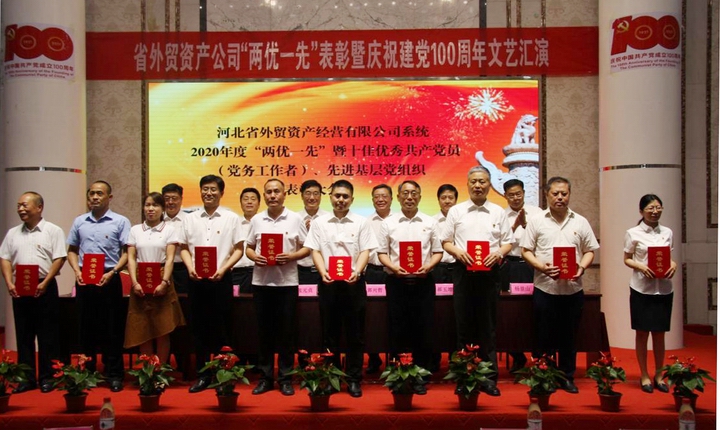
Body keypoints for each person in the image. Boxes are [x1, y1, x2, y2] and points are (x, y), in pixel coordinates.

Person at [521, 176, 599, 394]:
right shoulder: (537, 221)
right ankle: (544, 376)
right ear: (547, 195)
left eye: (564, 193)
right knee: (543, 335)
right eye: (555, 193)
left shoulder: (580, 221)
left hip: (573, 289)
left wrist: (581, 267)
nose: (560, 197)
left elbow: (589, 250)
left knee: (569, 336)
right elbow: (526, 250)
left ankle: (566, 377)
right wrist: (541, 267)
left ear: (569, 195)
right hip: (545, 288)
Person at [441, 166, 513, 396]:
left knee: (487, 327)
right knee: (463, 326)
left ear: (489, 184)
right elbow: (445, 241)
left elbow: (508, 242)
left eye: (482, 181)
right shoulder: (456, 211)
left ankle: (489, 378)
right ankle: (464, 376)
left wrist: (498, 253)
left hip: (490, 274)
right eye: (474, 181)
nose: (478, 185)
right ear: (467, 184)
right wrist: (457, 252)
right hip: (463, 272)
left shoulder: (498, 212)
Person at [304, 179, 377, 398]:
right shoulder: (319, 223)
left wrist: (358, 271)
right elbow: (315, 250)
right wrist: (322, 272)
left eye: (345, 196)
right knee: (329, 334)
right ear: (331, 197)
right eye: (337, 196)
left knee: (356, 334)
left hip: (354, 284)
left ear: (352, 199)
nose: (341, 200)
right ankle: (331, 378)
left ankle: (354, 379)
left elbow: (365, 250)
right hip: (328, 283)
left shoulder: (361, 222)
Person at [179, 175, 244, 393]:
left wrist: (224, 269)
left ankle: (224, 375)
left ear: (221, 193)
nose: (209, 193)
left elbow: (239, 249)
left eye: (213, 189)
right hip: (196, 280)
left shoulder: (231, 218)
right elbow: (184, 248)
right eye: (205, 189)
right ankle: (203, 375)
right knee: (199, 328)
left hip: (221, 279)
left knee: (223, 328)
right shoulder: (189, 218)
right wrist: (190, 267)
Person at [245, 178, 310, 396]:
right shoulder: (257, 219)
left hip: (287, 283)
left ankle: (285, 378)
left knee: (286, 333)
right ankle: (265, 378)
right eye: (269, 192)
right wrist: (254, 257)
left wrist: (291, 256)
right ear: (264, 195)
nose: (273, 195)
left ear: (284, 195)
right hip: (261, 283)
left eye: (276, 191)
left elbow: (307, 247)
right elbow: (248, 247)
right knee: (264, 332)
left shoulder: (295, 219)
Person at [378, 180, 443, 395]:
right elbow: (382, 253)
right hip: (396, 282)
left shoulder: (430, 222)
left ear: (420, 197)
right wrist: (393, 267)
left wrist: (429, 266)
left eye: (414, 193)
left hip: (424, 282)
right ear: (398, 197)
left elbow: (437, 251)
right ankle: (399, 374)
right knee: (398, 328)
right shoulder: (388, 223)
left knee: (423, 328)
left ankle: (421, 375)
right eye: (405, 193)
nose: (409, 197)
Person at [67, 180, 131, 392]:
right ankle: (87, 373)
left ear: (109, 197)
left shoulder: (120, 221)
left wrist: (113, 272)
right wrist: (76, 271)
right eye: (92, 194)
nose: (94, 197)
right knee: (85, 328)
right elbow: (72, 250)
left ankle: (114, 374)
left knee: (112, 328)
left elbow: (127, 252)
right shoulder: (79, 222)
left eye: (99, 194)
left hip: (109, 278)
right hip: (84, 279)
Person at [0, 192, 66, 393]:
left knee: (48, 335)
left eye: (25, 205)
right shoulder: (12, 233)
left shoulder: (53, 230)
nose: (21, 209)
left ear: (39, 207)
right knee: (24, 334)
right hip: (20, 287)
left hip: (45, 286)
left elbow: (59, 258)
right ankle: (26, 378)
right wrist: (9, 282)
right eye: (18, 205)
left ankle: (47, 377)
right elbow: (5, 258)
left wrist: (45, 282)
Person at [623, 194, 677, 394]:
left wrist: (673, 264)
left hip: (663, 288)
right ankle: (644, 374)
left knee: (660, 333)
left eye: (658, 208)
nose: (655, 212)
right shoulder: (633, 233)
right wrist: (640, 267)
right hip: (642, 289)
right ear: (641, 211)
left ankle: (659, 375)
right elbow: (627, 258)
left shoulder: (668, 232)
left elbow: (669, 257)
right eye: (650, 208)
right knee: (642, 332)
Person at [124, 192, 186, 365]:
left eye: (155, 205)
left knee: (162, 329)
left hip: (162, 280)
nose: (151, 209)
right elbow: (131, 258)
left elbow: (170, 258)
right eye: (147, 205)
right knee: (142, 328)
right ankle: (147, 370)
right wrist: (134, 283)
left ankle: (161, 370)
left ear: (162, 209)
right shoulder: (135, 230)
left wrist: (164, 282)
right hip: (140, 282)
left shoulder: (169, 230)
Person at [500, 178, 543, 372]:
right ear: (505, 196)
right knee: (509, 313)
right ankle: (517, 356)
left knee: (533, 310)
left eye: (518, 194)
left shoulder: (537, 213)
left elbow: (541, 238)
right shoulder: (501, 215)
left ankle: (539, 357)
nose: (515, 198)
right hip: (509, 266)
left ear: (524, 193)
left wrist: (526, 226)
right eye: (511, 195)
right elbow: (499, 242)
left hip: (532, 266)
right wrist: (515, 225)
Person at [364, 184, 393, 374]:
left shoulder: (398, 220)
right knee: (371, 316)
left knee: (392, 314)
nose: (380, 199)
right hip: (372, 272)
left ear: (391, 198)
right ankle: (373, 357)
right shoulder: (365, 222)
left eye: (384, 196)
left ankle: (396, 359)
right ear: (372, 199)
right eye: (377, 196)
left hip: (393, 272)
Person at [429, 183, 458, 373]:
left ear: (456, 200)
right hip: (437, 270)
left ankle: (457, 358)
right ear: (438, 200)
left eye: (451, 198)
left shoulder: (461, 219)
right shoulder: (432, 221)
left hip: (457, 269)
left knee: (455, 313)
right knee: (436, 313)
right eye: (443, 198)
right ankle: (434, 357)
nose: (447, 201)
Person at [231, 187, 261, 367]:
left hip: (259, 272)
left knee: (257, 315)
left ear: (259, 203)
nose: (249, 202)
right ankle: (239, 356)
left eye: (253, 199)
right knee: (238, 316)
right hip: (237, 274)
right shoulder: (234, 223)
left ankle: (257, 357)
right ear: (240, 202)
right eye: (245, 198)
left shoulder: (263, 222)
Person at [297, 180, 328, 285]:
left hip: (324, 270)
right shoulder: (295, 218)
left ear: (320, 196)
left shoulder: (328, 218)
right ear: (302, 196)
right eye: (308, 193)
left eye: (316, 193)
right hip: (300, 271)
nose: (312, 197)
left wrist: (315, 232)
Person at [162, 183, 189, 295]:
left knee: (183, 300)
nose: (170, 202)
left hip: (183, 268)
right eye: (167, 199)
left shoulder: (190, 219)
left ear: (181, 199)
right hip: (161, 267)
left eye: (174, 198)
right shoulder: (157, 220)